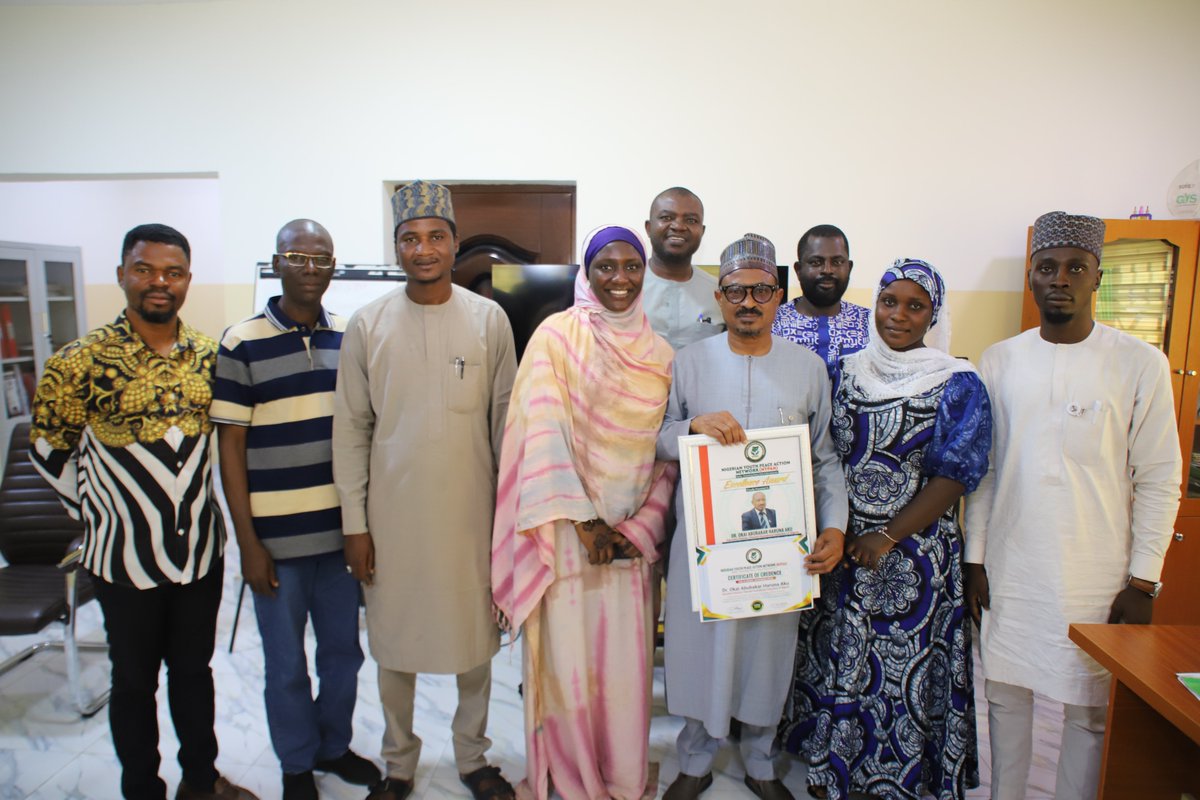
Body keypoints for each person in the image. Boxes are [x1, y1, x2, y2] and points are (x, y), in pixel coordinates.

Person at [28, 224, 257, 800]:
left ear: (187, 280)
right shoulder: (76, 362)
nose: (159, 282)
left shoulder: (212, 356)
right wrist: (105, 513)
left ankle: (200, 783)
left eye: (172, 272)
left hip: (199, 556)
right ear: (122, 275)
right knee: (133, 682)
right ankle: (142, 789)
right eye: (145, 269)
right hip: (122, 560)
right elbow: (49, 453)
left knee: (193, 675)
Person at [964, 211, 1181, 800]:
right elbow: (982, 471)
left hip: (1097, 572)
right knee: (1005, 698)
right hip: (1012, 567)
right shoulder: (999, 360)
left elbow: (1161, 477)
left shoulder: (1140, 363)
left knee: (1088, 710)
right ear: (1032, 278)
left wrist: (1144, 580)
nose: (1060, 278)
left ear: (1097, 279)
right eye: (1047, 267)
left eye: (1075, 268)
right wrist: (974, 559)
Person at [332, 181, 518, 800]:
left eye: (436, 236)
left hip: (471, 515)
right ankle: (399, 765)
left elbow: (506, 425)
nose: (424, 248)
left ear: (456, 244)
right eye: (411, 238)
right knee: (395, 645)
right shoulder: (368, 325)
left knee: (474, 644)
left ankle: (473, 759)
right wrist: (355, 525)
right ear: (396, 247)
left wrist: (508, 522)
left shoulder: (489, 319)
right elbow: (352, 430)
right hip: (392, 519)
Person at [658, 233, 849, 800]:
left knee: (768, 650)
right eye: (736, 291)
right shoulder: (689, 363)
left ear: (778, 296)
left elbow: (825, 458)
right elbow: (656, 440)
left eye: (762, 290)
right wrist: (690, 429)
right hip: (703, 541)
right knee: (698, 645)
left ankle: (761, 761)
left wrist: (834, 527)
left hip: (781, 547)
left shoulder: (808, 368)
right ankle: (694, 757)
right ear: (718, 297)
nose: (749, 301)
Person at [491, 225, 677, 800]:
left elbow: (663, 453)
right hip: (568, 535)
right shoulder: (555, 336)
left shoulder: (660, 351)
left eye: (631, 267)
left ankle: (621, 777)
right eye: (606, 267)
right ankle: (570, 780)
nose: (619, 279)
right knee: (568, 668)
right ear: (587, 274)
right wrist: (588, 522)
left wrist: (638, 529)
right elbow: (539, 432)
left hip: (629, 545)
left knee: (624, 673)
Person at [802, 259, 991, 800]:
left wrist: (886, 536)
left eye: (915, 306)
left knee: (898, 669)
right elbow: (821, 453)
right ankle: (832, 770)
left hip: (913, 554)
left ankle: (896, 778)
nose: (899, 316)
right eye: (889, 302)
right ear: (875, 304)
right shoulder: (843, 369)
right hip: (841, 543)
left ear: (933, 313)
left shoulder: (957, 380)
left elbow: (958, 473)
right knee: (841, 657)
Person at [212, 220, 379, 799]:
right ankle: (295, 764)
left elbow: (362, 431)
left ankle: (334, 748)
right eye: (296, 256)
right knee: (286, 668)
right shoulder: (241, 341)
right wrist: (248, 543)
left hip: (339, 539)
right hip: (276, 546)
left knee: (343, 658)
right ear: (276, 263)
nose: (310, 267)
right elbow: (229, 446)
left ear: (334, 266)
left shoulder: (350, 337)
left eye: (321, 257)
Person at [772, 225, 870, 380]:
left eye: (837, 262)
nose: (827, 270)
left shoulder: (870, 324)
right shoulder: (772, 324)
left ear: (849, 268)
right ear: (798, 270)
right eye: (816, 262)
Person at [640, 186, 724, 350]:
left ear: (702, 231)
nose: (678, 226)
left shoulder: (719, 293)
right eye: (666, 217)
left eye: (691, 220)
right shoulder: (625, 288)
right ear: (649, 228)